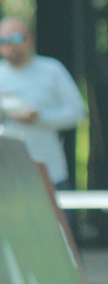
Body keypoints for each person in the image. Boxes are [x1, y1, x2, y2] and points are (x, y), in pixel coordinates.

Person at [0, 16, 86, 191]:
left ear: (30, 40)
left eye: (16, 38)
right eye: (4, 40)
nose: (11, 45)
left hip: (50, 173)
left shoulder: (52, 70)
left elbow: (78, 112)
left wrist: (39, 117)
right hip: (7, 175)